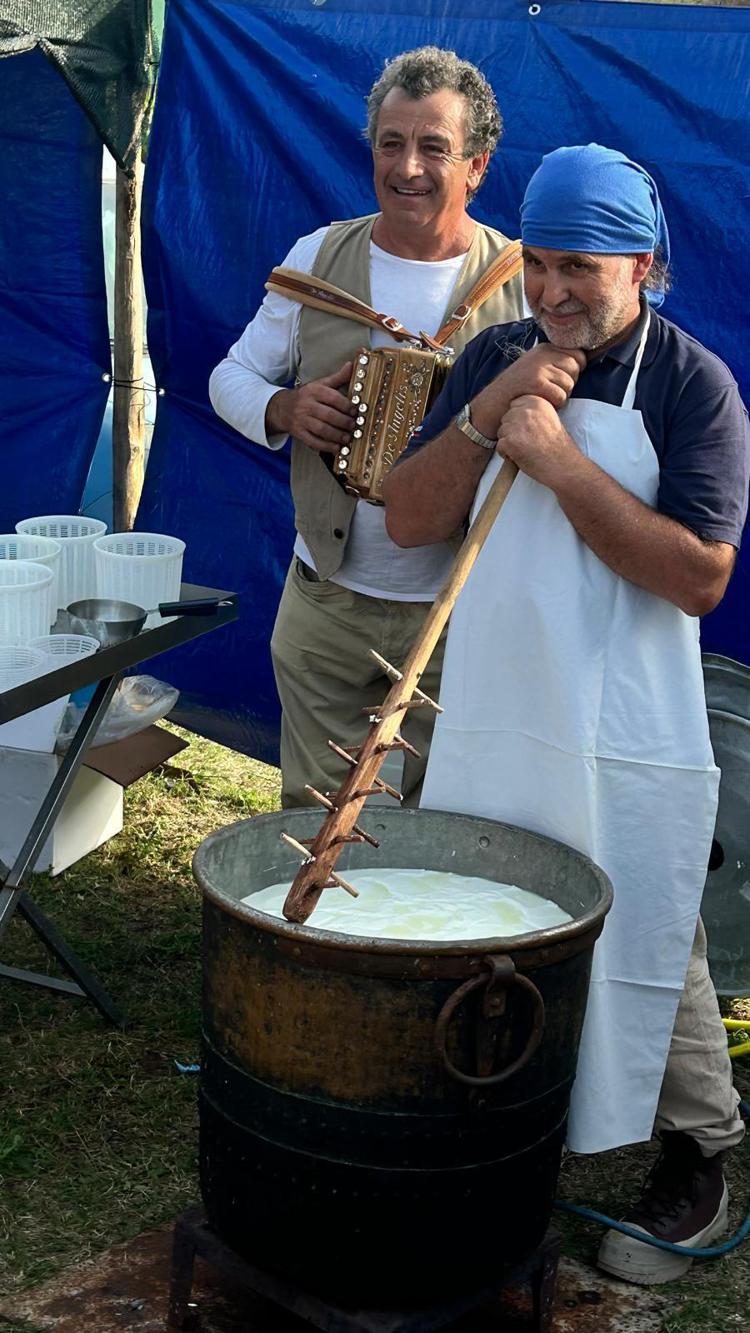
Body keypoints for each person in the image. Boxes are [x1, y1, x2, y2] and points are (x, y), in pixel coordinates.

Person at [383, 144, 749, 1284]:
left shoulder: (693, 387)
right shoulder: (498, 353)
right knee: (491, 910)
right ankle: (506, 1127)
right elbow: (406, 516)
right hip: (501, 700)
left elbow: (698, 577)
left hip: (627, 718)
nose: (549, 292)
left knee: (649, 923)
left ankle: (703, 1152)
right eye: (536, 263)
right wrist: (490, 410)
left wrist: (558, 463)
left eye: (579, 267)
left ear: (643, 264)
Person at [209, 47, 524, 808]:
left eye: (434, 148)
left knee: (445, 825)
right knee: (319, 818)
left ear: (476, 166)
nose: (407, 167)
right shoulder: (318, 256)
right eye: (391, 143)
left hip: (460, 616)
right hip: (326, 602)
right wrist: (284, 409)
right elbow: (230, 378)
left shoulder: (521, 283)